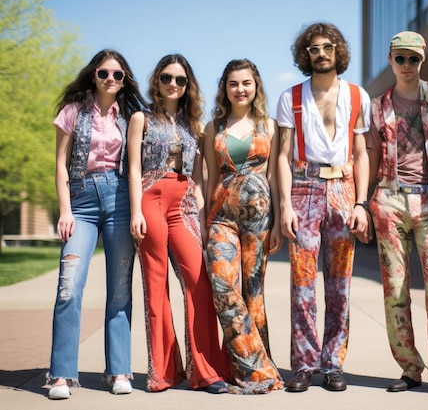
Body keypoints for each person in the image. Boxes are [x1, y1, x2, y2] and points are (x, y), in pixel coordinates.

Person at [276, 22, 371, 393]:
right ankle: (303, 364)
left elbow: (361, 154)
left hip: (345, 189)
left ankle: (333, 363)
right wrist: (285, 204)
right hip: (304, 187)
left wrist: (361, 202)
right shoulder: (291, 98)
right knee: (302, 283)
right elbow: (283, 156)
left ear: (338, 51)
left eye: (327, 46)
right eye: (314, 48)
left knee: (340, 284)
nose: (321, 53)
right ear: (306, 54)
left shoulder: (357, 96)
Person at [48, 49, 148, 400]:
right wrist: (65, 210)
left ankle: (119, 370)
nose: (110, 79)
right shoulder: (72, 112)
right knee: (69, 286)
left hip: (120, 200)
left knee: (120, 290)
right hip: (82, 202)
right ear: (93, 74)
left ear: (124, 80)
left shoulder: (132, 116)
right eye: (104, 73)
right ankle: (61, 374)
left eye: (117, 75)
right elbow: (60, 164)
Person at [366, 31, 428, 399]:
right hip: (389, 201)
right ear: (390, 59)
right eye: (400, 58)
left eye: (413, 59)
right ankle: (410, 368)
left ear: (422, 60)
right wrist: (367, 200)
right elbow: (371, 155)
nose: (407, 65)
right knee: (395, 290)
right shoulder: (377, 106)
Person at [127, 54, 228, 394]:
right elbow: (134, 168)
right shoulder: (140, 118)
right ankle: (164, 373)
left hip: (183, 202)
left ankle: (206, 372)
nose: (173, 84)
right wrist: (136, 212)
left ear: (188, 86)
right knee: (156, 286)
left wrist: (200, 216)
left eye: (180, 80)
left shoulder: (193, 124)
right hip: (150, 199)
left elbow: (198, 176)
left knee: (199, 282)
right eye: (167, 78)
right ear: (157, 80)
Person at [204, 59, 284, 394]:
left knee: (254, 296)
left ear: (256, 86)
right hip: (221, 217)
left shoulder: (270, 125)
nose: (240, 89)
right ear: (225, 87)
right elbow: (209, 177)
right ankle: (258, 367)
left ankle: (255, 369)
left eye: (246, 83)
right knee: (224, 289)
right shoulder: (213, 127)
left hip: (260, 219)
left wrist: (278, 221)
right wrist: (201, 223)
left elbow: (274, 176)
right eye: (234, 83)